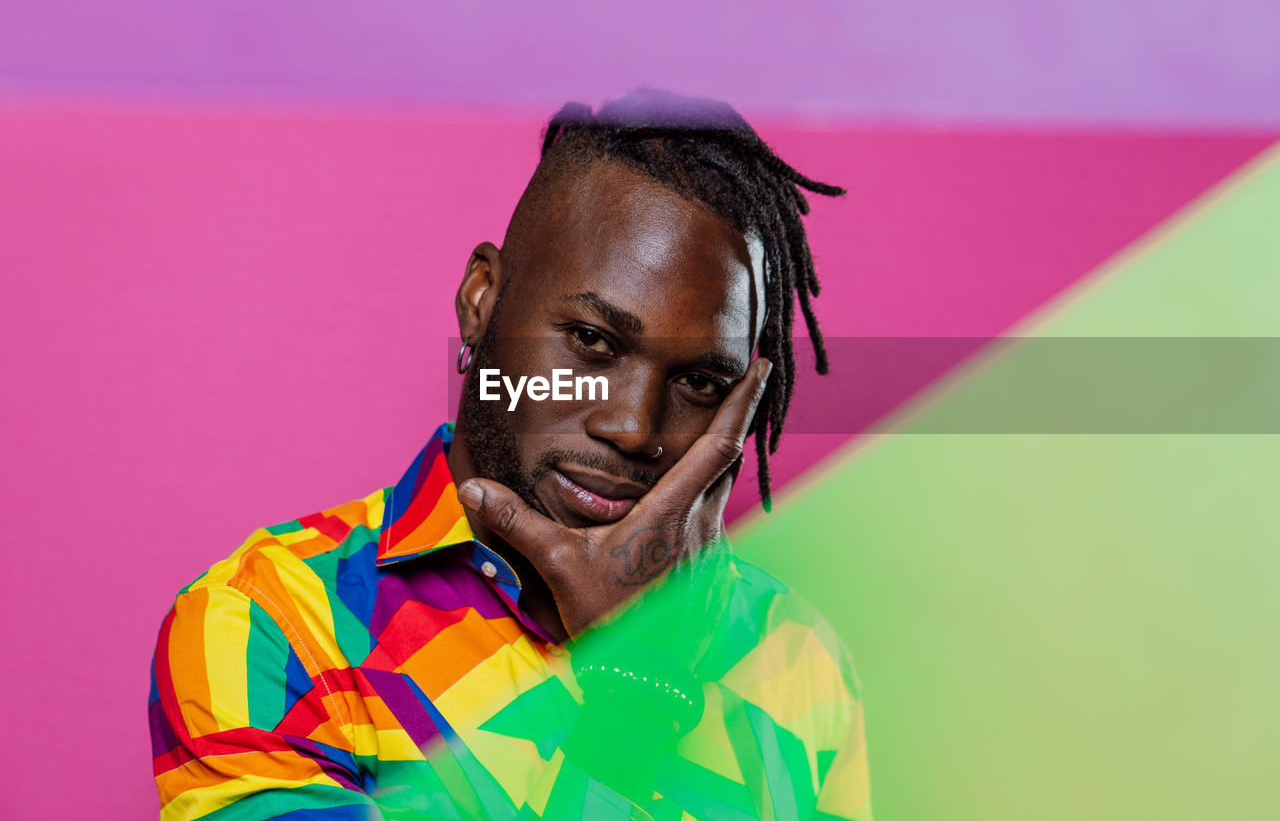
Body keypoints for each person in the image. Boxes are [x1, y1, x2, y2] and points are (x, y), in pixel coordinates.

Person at [149, 90, 872, 820]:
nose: (633, 427)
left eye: (699, 381)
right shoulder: (272, 626)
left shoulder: (794, 657)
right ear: (481, 298)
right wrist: (637, 690)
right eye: (592, 341)